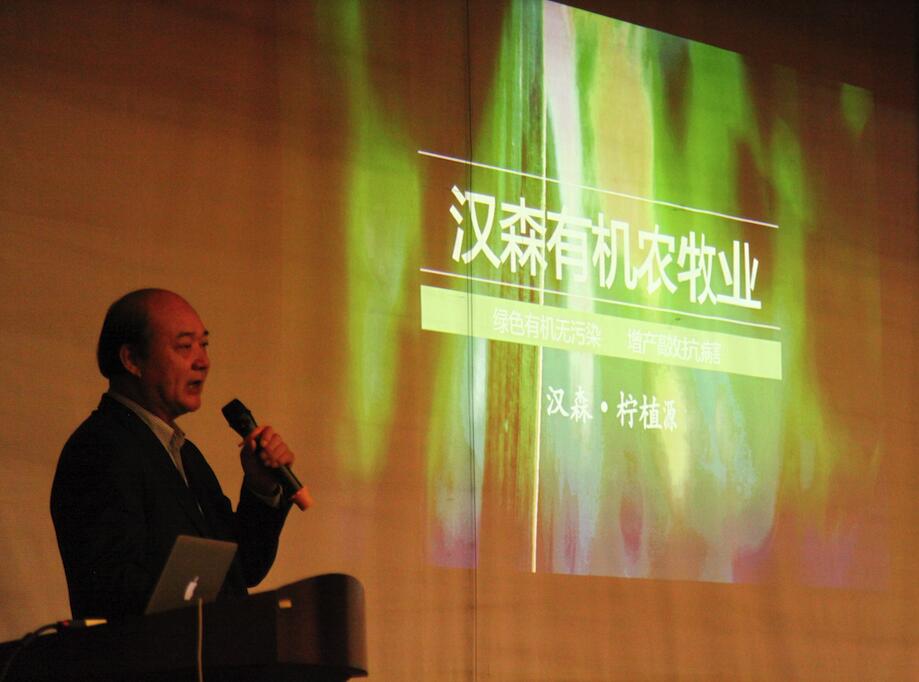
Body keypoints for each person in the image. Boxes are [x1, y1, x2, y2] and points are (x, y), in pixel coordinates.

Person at [51, 289, 294, 619]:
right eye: (185, 346)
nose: (202, 361)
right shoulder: (98, 448)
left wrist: (260, 488)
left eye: (204, 344)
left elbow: (242, 570)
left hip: (208, 649)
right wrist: (193, 588)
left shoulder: (185, 454)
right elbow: (109, 588)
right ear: (132, 360)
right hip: (151, 652)